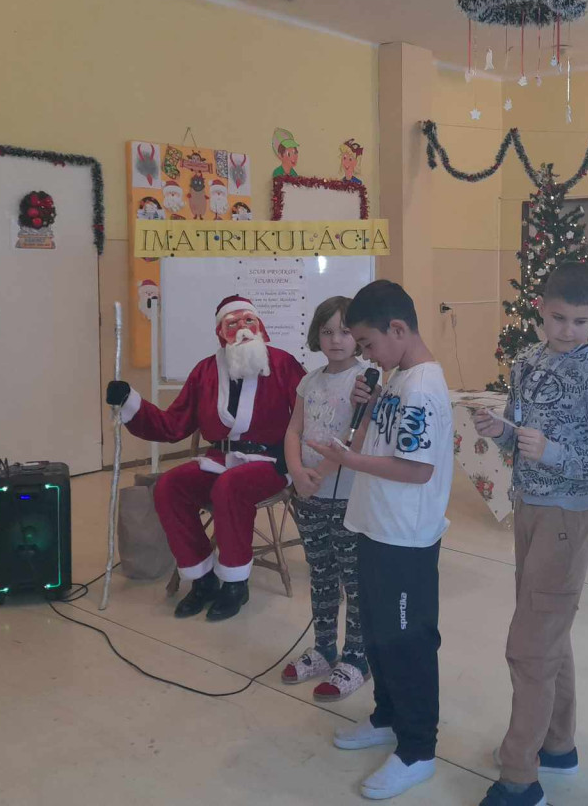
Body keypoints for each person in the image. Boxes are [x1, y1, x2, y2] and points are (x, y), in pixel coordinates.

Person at [473, 262, 588, 806]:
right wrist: (501, 431)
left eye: (581, 321)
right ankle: (558, 744)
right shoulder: (527, 361)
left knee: (530, 645)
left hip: (569, 516)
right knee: (547, 629)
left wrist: (554, 452)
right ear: (540, 309)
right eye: (559, 318)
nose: (569, 330)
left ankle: (521, 776)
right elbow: (521, 435)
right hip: (530, 508)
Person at [308, 280, 453, 801]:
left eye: (368, 343)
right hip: (374, 525)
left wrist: (350, 461)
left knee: (407, 641)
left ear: (397, 329)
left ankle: (418, 749)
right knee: (377, 633)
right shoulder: (396, 377)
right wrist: (367, 405)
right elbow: (379, 438)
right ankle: (388, 716)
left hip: (405, 538)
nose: (366, 354)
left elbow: (416, 469)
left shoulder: (422, 387)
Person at [105, 296, 304, 621]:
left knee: (230, 486)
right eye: (232, 323)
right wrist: (128, 401)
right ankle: (203, 578)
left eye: (248, 320)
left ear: (260, 326)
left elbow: (309, 417)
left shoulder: (283, 364)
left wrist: (296, 460)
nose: (242, 328)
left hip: (271, 462)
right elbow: (173, 425)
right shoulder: (205, 371)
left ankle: (236, 584)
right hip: (219, 460)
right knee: (169, 486)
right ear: (220, 332)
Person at [282, 296, 371, 702]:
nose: (336, 339)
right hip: (309, 495)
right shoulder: (309, 381)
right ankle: (323, 649)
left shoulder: (365, 379)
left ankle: (356, 658)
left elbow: (359, 437)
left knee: (355, 580)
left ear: (358, 336)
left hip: (346, 496)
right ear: (317, 335)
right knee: (321, 574)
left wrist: (320, 473)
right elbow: (293, 430)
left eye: (346, 331)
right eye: (328, 331)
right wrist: (298, 473)